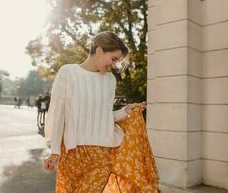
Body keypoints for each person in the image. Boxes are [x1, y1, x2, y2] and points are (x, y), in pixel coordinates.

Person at [44, 31, 160, 192]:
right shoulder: (68, 72)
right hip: (73, 153)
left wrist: (125, 111)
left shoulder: (110, 80)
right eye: (113, 59)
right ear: (99, 51)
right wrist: (55, 150)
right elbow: (58, 115)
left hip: (102, 153)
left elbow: (104, 116)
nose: (113, 65)